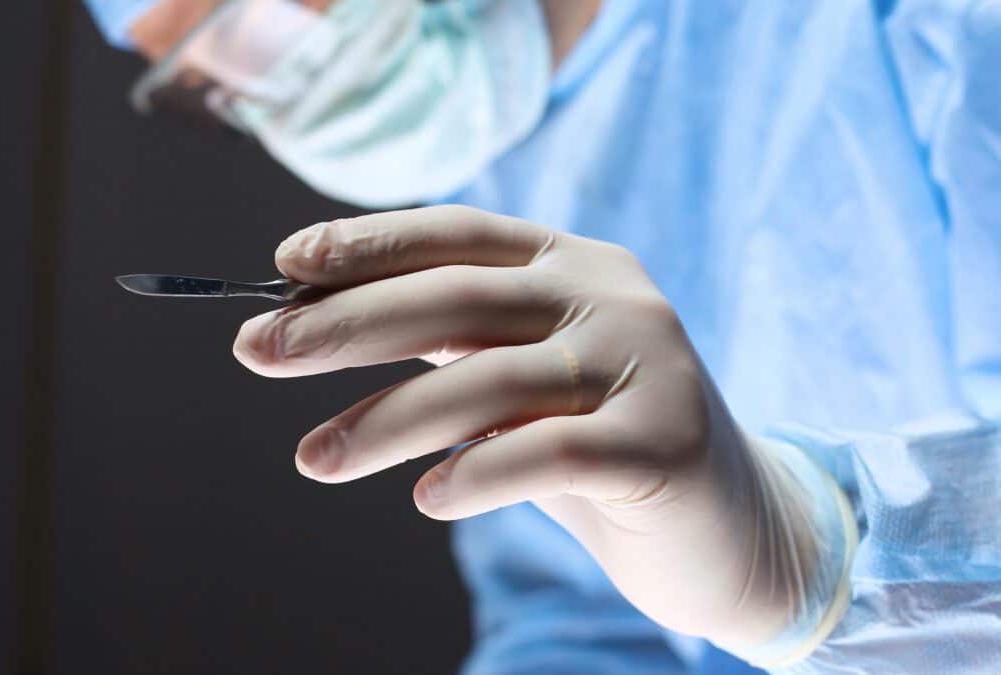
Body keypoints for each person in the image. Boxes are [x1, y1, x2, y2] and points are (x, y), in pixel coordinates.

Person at [84, 1, 1001, 673]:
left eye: (233, 26)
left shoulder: (910, 28)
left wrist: (824, 552)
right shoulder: (486, 225)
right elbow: (582, 620)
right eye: (196, 81)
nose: (252, 94)